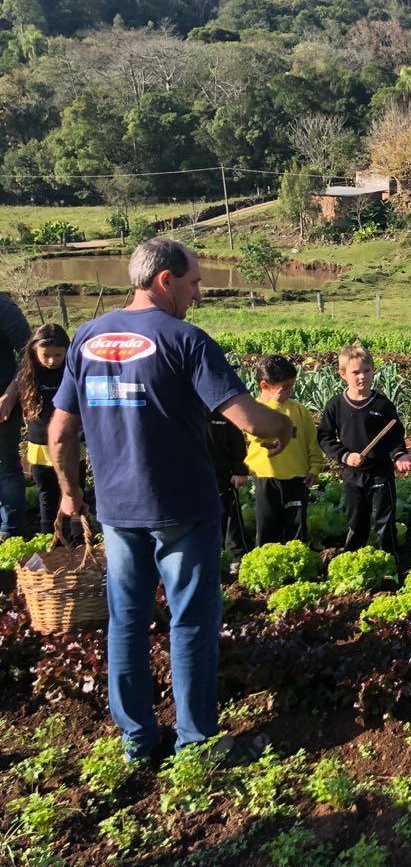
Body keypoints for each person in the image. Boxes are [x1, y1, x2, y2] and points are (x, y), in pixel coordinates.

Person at [48, 238, 293, 765]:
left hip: (116, 511)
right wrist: (284, 425)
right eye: (195, 281)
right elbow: (247, 417)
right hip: (182, 507)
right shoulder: (187, 340)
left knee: (126, 622)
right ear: (165, 280)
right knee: (190, 622)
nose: (198, 293)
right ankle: (195, 744)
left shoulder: (87, 338)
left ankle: (136, 741)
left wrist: (71, 495)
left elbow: (61, 432)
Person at [317, 343, 411, 556]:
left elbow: (395, 435)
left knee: (384, 519)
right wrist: (344, 455)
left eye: (367, 371)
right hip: (352, 475)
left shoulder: (382, 405)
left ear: (373, 370)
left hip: (380, 472)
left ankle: (389, 560)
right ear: (342, 374)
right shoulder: (335, 405)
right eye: (355, 372)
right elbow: (324, 437)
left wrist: (400, 455)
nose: (362, 376)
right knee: (356, 520)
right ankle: (353, 556)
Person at [245, 354, 322, 547]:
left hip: (297, 478)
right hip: (265, 478)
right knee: (267, 527)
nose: (289, 392)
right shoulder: (254, 410)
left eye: (292, 386)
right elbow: (257, 435)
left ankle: (297, 570)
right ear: (264, 386)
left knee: (296, 528)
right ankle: (266, 567)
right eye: (284, 388)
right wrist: (276, 405)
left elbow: (311, 440)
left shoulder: (298, 410)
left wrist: (314, 467)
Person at [17, 324, 81, 535]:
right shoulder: (29, 373)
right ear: (35, 351)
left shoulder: (71, 372)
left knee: (72, 489)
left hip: (69, 443)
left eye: (58, 355)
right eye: (46, 355)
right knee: (47, 492)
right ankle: (49, 537)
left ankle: (77, 538)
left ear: (67, 352)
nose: (52, 361)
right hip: (39, 444)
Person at [0, 291, 31, 537]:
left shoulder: (4, 308)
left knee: (6, 466)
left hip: (3, 402)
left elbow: (29, 353)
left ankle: (10, 532)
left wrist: (12, 393)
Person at [205, 405, 250, 572]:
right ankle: (209, 558)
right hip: (193, 477)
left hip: (224, 475)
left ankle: (236, 556)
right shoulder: (184, 409)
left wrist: (239, 470)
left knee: (231, 518)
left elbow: (238, 442)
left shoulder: (223, 412)